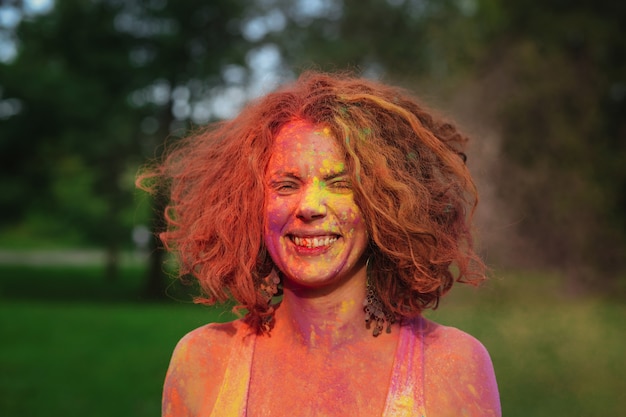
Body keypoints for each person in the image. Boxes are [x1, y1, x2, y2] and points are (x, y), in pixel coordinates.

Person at [143, 71, 501, 416]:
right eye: (286, 185)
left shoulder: (453, 365)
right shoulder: (202, 361)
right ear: (248, 204)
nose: (310, 207)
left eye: (340, 183)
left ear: (388, 205)